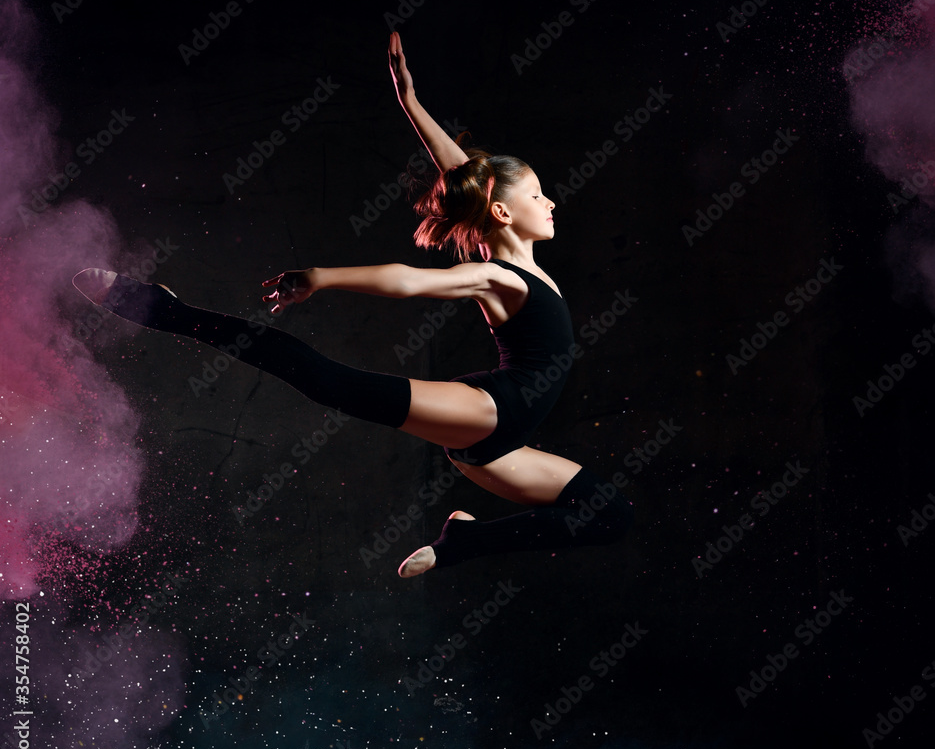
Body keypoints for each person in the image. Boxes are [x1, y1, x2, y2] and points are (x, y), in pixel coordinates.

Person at [73, 33, 633, 577]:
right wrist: (321, 277)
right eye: (537, 194)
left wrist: (410, 104)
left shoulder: (516, 260)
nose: (551, 200)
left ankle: (464, 539)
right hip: (494, 412)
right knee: (329, 382)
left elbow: (466, 175)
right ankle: (163, 310)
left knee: (610, 515)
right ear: (507, 215)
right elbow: (409, 281)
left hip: (504, 448)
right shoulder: (499, 276)